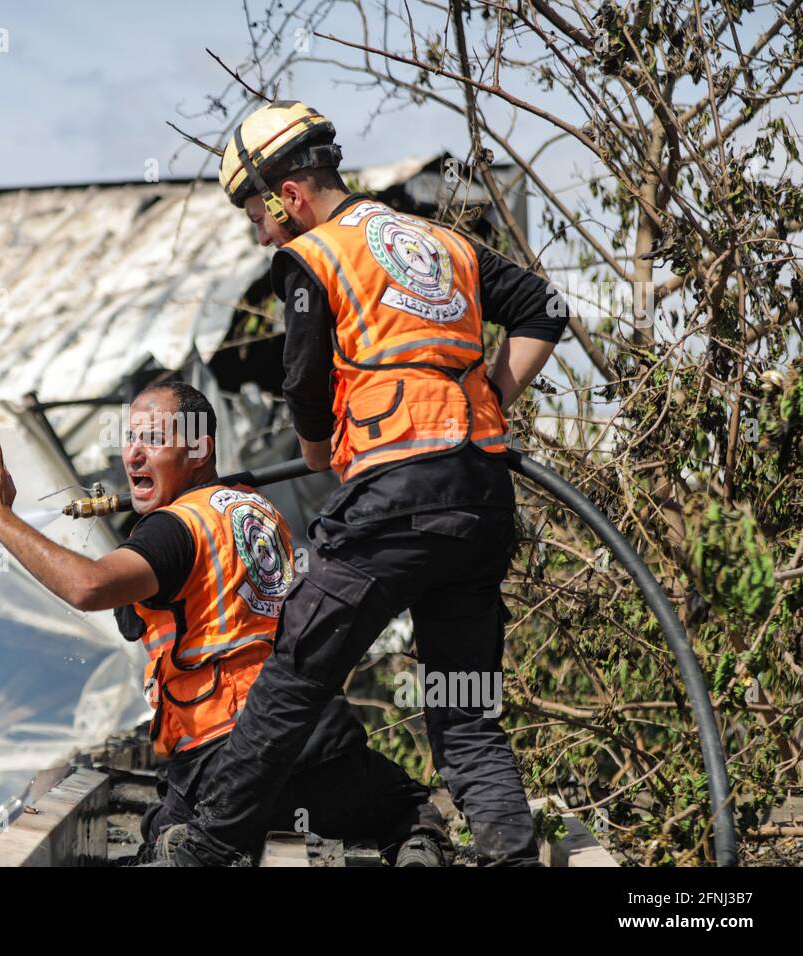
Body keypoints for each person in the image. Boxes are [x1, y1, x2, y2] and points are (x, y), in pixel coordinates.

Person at [167, 102, 571, 867]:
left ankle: (205, 854)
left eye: (258, 214)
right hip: (480, 497)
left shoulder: (315, 257)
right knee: (465, 713)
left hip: (389, 508)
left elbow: (304, 383)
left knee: (292, 682)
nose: (261, 233)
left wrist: (318, 451)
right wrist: (480, 402)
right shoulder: (443, 241)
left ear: (287, 196)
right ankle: (513, 861)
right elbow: (545, 309)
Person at [0, 381, 451, 864]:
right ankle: (417, 838)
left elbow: (89, 586)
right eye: (130, 439)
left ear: (199, 449)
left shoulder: (174, 529)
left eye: (152, 439)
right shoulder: (259, 511)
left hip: (225, 761)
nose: (132, 455)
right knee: (407, 806)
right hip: (318, 744)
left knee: (167, 839)